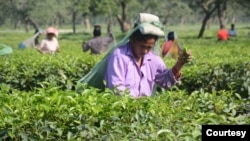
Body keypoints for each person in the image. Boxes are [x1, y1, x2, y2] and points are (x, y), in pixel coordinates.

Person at [104, 13, 192, 98]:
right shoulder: (119, 56)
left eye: (149, 47)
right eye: (142, 46)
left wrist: (180, 63)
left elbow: (165, 81)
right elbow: (115, 87)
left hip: (144, 110)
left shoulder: (153, 59)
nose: (145, 51)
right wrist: (135, 101)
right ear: (132, 39)